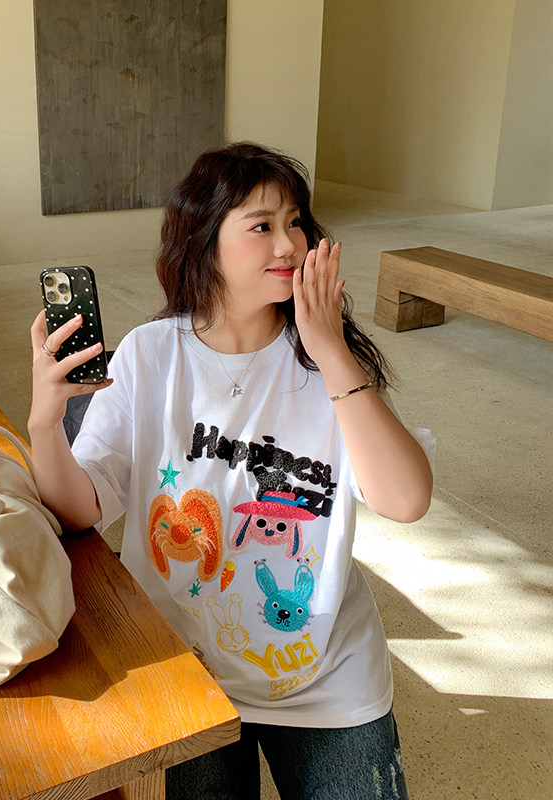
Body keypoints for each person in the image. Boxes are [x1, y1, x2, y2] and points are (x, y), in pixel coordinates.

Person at [28, 142, 435, 800]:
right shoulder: (151, 355)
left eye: (296, 222)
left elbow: (406, 499)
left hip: (327, 673)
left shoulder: (326, 365)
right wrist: (44, 424)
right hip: (187, 667)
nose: (291, 244)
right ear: (204, 241)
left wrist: (331, 349)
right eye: (262, 225)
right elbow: (81, 510)